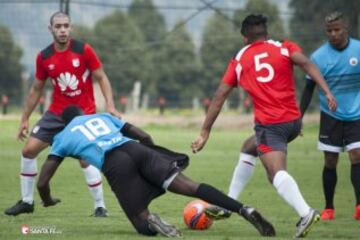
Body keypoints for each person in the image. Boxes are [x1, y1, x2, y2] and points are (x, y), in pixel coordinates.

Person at [191, 14, 337, 238]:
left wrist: (204, 132)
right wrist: (327, 92)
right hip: (293, 121)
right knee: (248, 148)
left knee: (275, 174)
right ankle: (229, 204)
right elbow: (307, 64)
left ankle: (305, 212)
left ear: (244, 38)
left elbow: (220, 96)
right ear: (266, 33)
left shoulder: (241, 58)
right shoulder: (284, 47)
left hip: (271, 126)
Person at [36, 105, 276, 237]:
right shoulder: (102, 116)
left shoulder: (63, 136)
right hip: (138, 150)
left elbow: (43, 181)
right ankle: (245, 209)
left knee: (141, 224)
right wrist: (151, 158)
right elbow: (143, 135)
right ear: (83, 114)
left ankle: (152, 220)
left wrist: (48, 200)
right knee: (190, 186)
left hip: (115, 164)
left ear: (65, 122)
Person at [4, 11, 122, 217]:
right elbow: (36, 89)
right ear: (50, 29)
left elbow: (102, 77)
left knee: (86, 159)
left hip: (83, 114)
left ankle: (100, 207)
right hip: (56, 114)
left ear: (71, 28)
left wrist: (110, 106)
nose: (62, 30)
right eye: (58, 27)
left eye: (66, 26)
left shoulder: (84, 50)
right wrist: (24, 119)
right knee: (28, 151)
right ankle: (27, 201)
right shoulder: (44, 57)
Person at [299, 11, 360, 221]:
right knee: (331, 161)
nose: (333, 34)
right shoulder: (318, 57)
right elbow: (308, 89)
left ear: (346, 29)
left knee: (357, 155)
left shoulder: (358, 50)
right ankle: (329, 208)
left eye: (337, 30)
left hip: (357, 114)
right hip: (330, 116)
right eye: (329, 31)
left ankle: (359, 206)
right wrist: (299, 118)